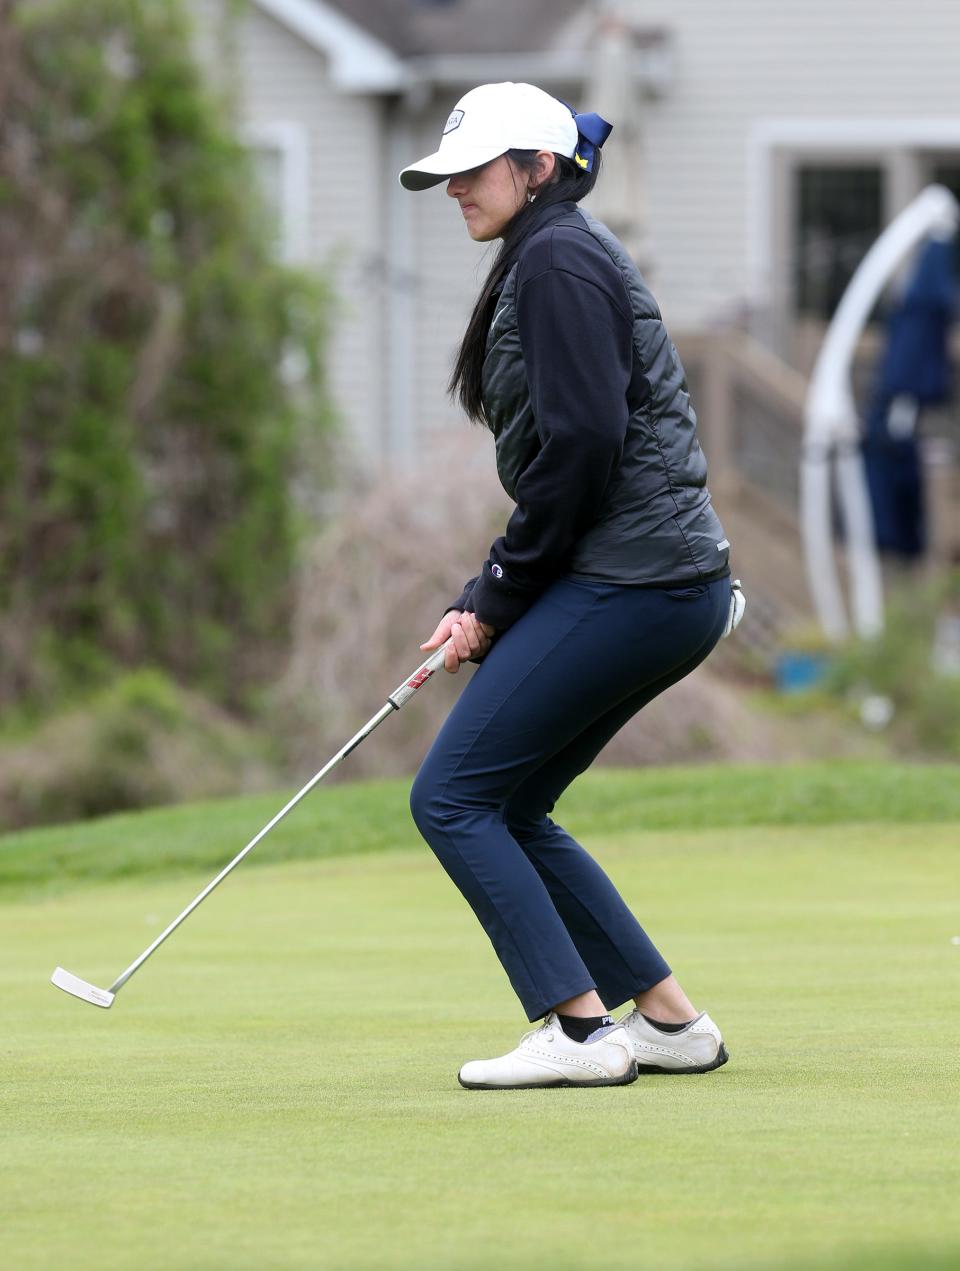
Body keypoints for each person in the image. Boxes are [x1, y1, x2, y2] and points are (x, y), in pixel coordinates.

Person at [401, 82, 739, 1090]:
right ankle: (671, 1022)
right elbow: (575, 453)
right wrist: (492, 590)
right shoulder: (548, 256)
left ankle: (583, 1032)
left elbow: (585, 443)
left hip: (640, 580)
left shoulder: (555, 259)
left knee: (453, 795)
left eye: (477, 168)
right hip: (664, 580)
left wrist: (497, 591)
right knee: (514, 799)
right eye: (450, 172)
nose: (456, 187)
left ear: (539, 168)